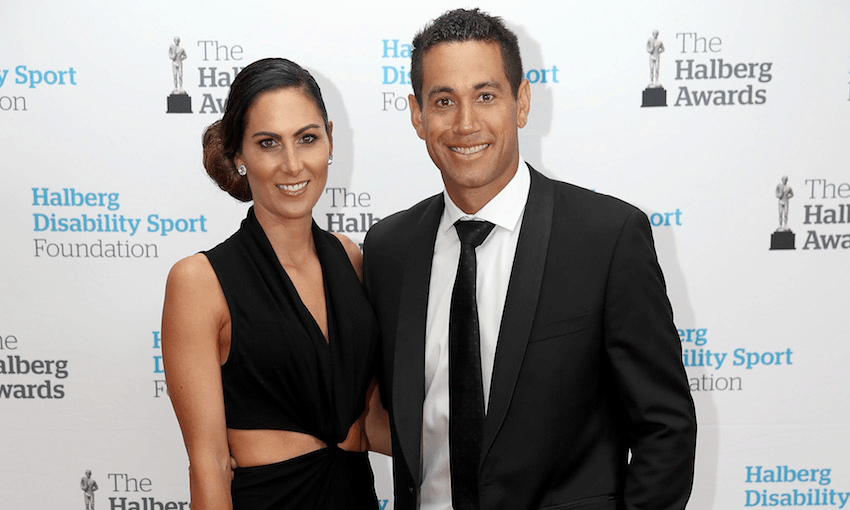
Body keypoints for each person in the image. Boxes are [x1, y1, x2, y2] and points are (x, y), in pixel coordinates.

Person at [362, 8, 696, 510]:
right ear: (417, 115)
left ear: (521, 102)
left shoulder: (606, 237)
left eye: (486, 96)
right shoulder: (389, 249)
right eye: (444, 100)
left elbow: (664, 427)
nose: (465, 123)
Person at [161, 57, 388, 510]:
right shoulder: (199, 282)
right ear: (238, 155)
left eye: (307, 138)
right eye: (268, 143)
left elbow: (373, 423)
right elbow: (209, 467)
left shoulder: (350, 258)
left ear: (329, 140)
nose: (291, 164)